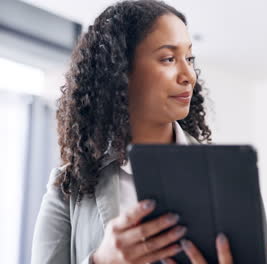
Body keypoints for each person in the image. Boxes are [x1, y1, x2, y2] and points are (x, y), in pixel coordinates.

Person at [31, 1, 232, 263]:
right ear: (120, 72)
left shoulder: (226, 174)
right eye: (169, 58)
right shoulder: (69, 186)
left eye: (189, 58)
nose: (189, 75)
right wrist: (101, 261)